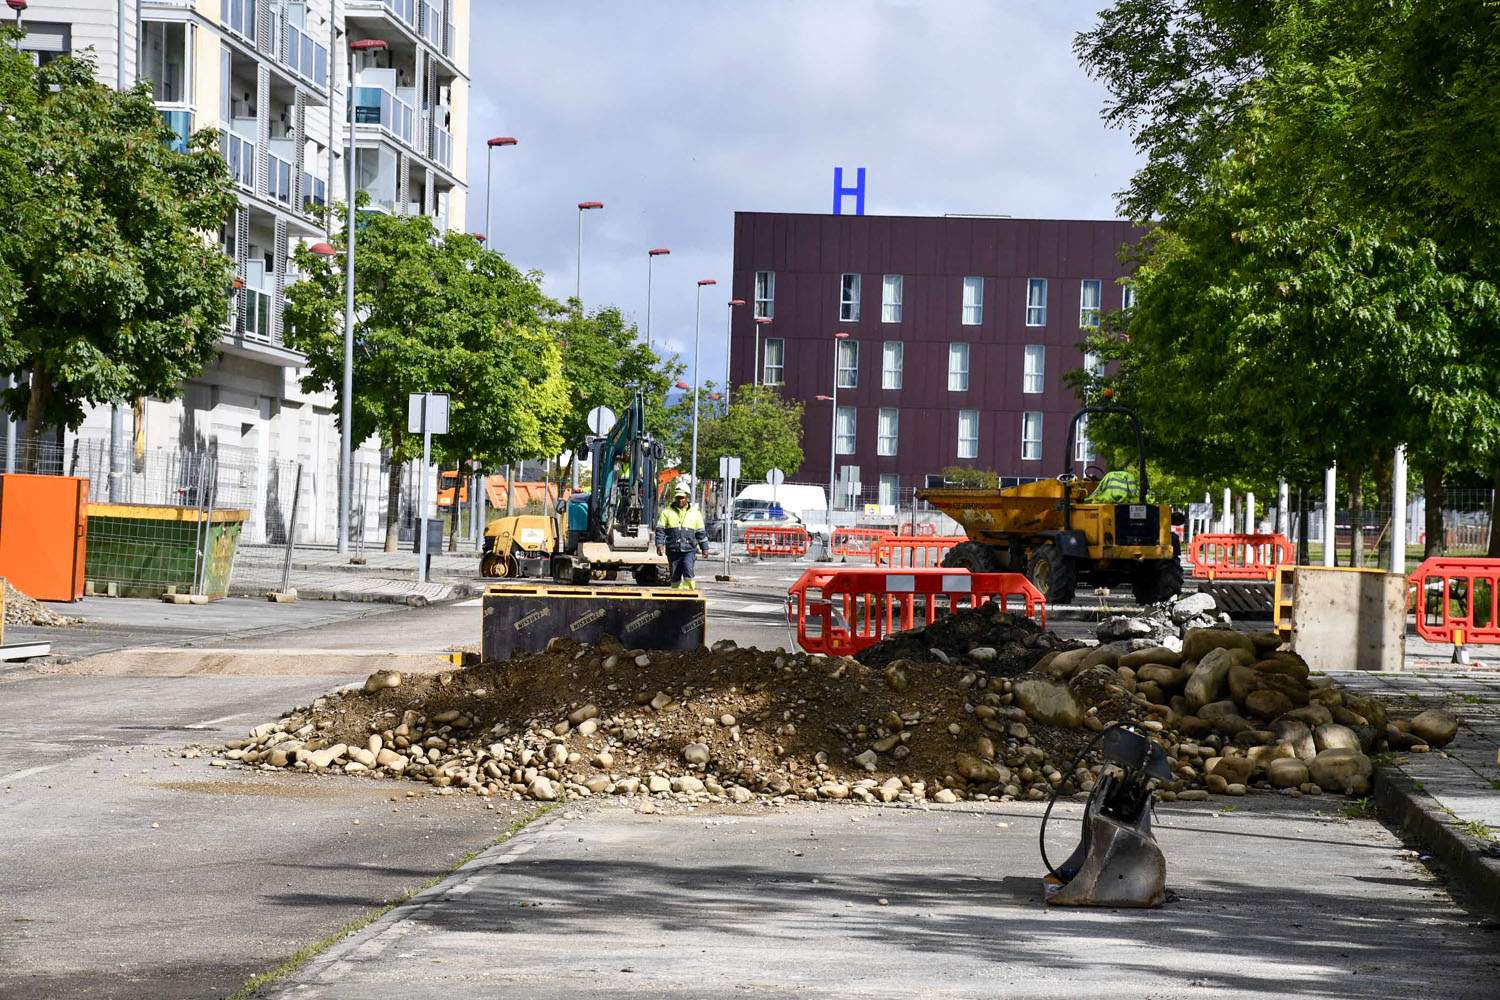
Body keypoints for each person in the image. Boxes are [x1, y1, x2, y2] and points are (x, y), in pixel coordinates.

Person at [656, 482, 709, 590]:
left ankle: (689, 593)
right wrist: (659, 544)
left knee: (688, 569)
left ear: (687, 497)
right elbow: (660, 530)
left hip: (689, 549)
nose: (680, 500)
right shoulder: (666, 512)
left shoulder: (695, 513)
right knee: (675, 574)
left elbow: (700, 532)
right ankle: (676, 595)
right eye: (678, 497)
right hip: (673, 549)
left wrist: (705, 548)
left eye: (682, 497)